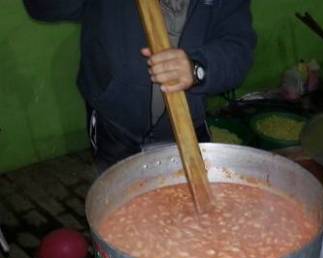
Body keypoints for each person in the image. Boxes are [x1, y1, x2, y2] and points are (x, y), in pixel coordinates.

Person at [23, 0, 256, 172]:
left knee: (191, 217)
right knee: (120, 206)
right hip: (115, 126)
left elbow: (239, 49)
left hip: (187, 125)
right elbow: (45, 7)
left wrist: (197, 69)